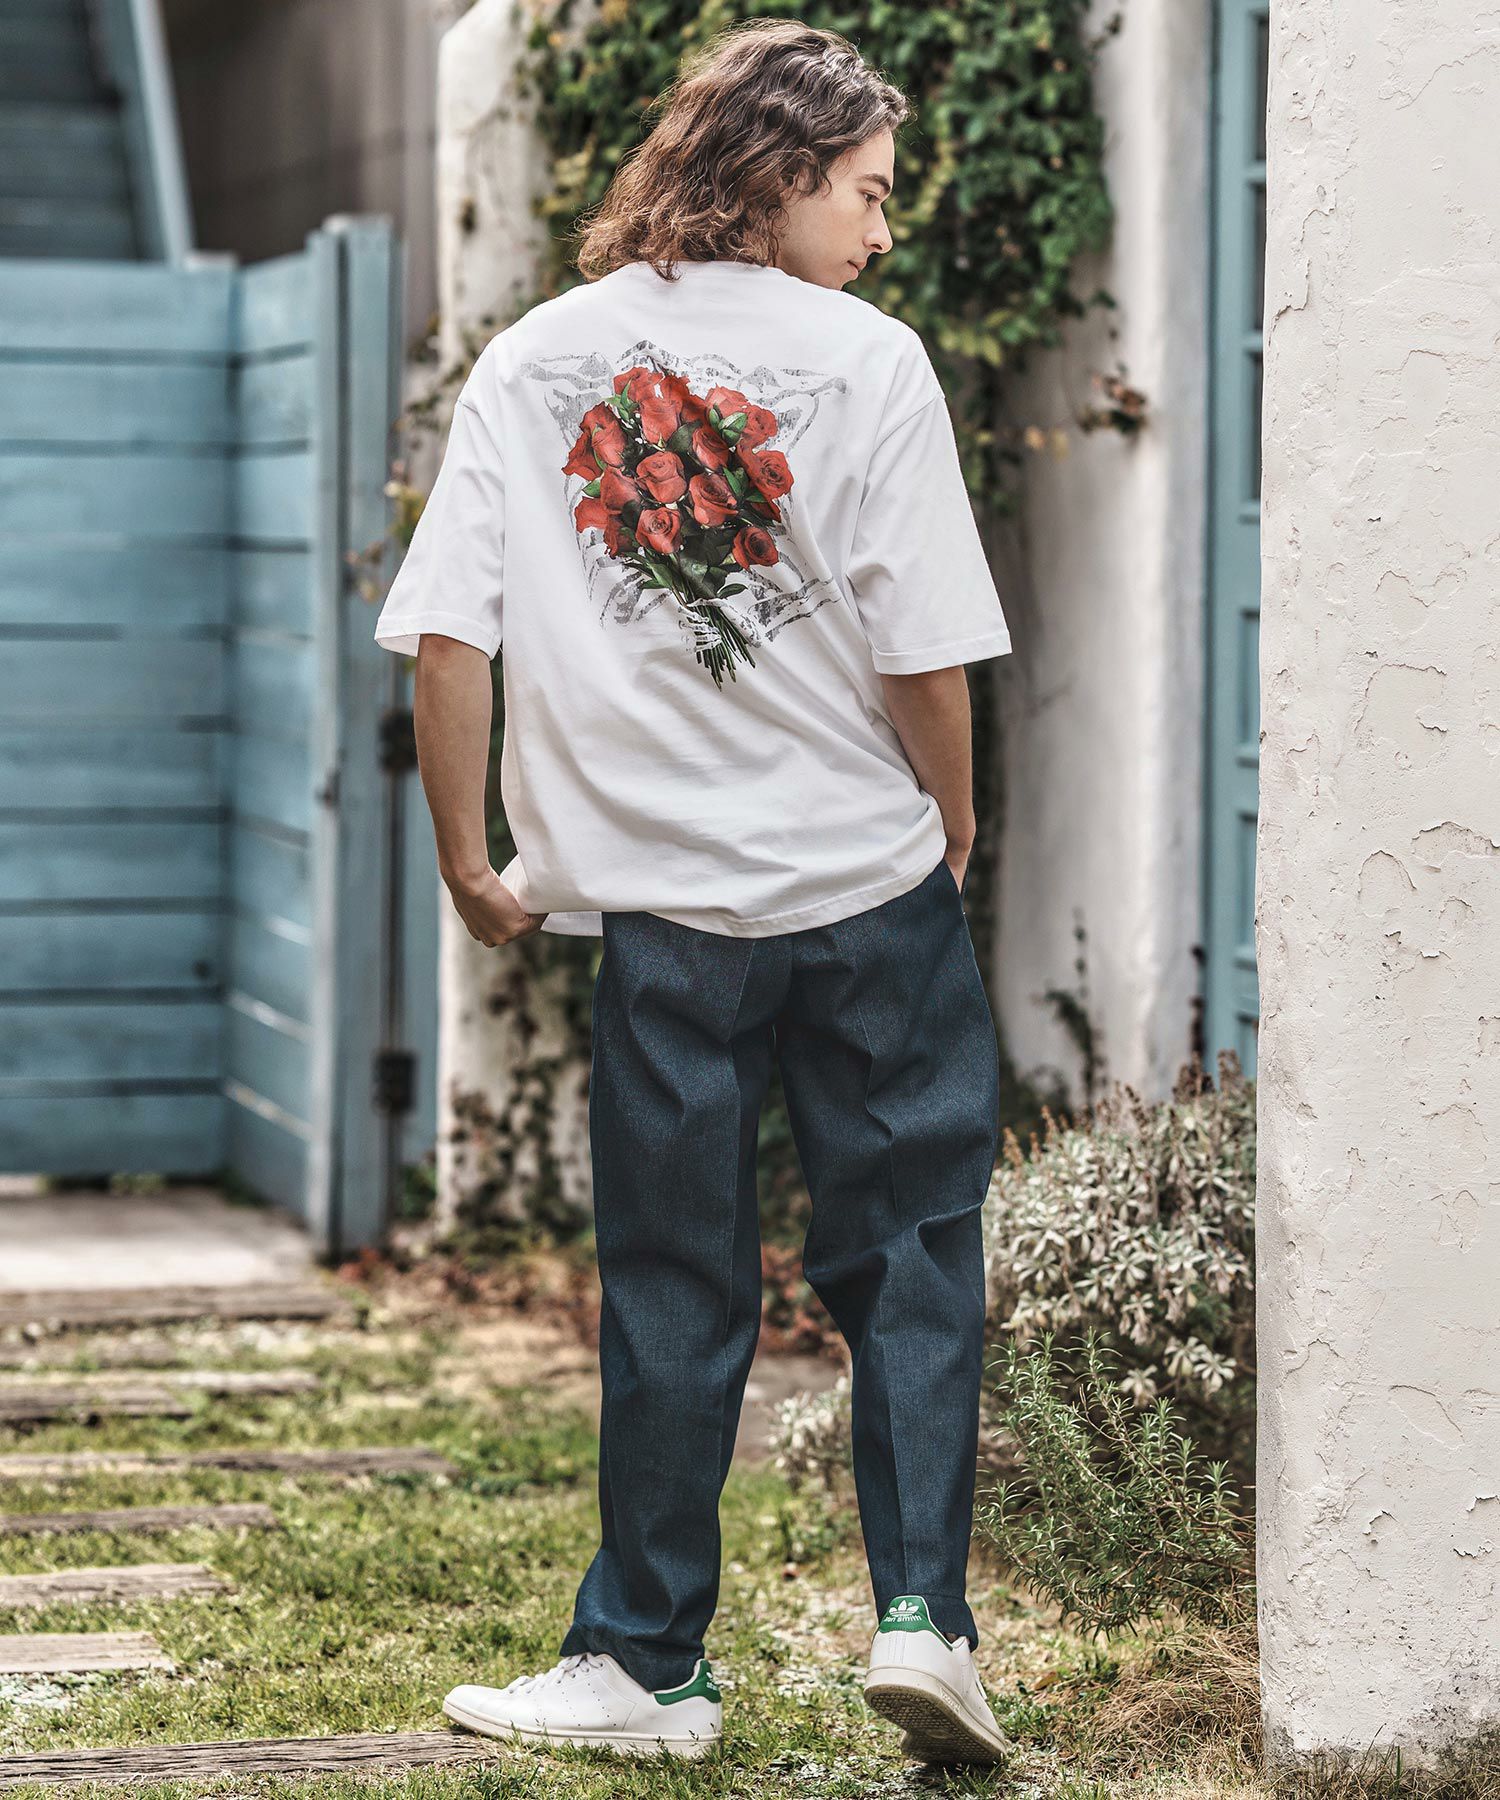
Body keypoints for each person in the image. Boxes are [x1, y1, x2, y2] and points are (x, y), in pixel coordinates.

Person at [374, 16, 1013, 1769]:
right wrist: (953, 820)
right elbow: (927, 653)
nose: (882, 227)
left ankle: (648, 1667)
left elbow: (449, 639)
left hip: (667, 924)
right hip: (868, 899)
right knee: (912, 1255)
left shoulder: (536, 358)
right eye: (866, 190)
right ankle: (926, 1623)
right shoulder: (872, 362)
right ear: (783, 173)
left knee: (673, 1279)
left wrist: (470, 860)